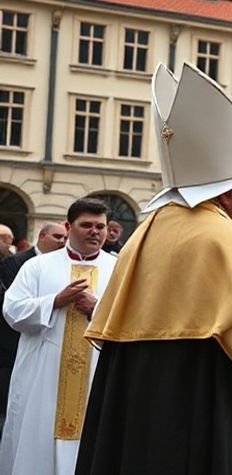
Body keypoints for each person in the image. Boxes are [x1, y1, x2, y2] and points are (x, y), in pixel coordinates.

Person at [75, 63, 232, 474]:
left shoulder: (145, 234)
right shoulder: (227, 238)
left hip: (142, 415)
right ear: (227, 190)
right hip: (209, 412)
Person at [0, 199, 114, 474]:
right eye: (86, 225)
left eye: (100, 226)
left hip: (95, 376)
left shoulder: (118, 268)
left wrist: (96, 309)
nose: (94, 232)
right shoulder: (38, 267)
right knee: (36, 443)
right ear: (68, 226)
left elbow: (133, 317)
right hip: (43, 378)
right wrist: (54, 301)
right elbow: (12, 310)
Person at [0, 222, 67, 433]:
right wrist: (53, 302)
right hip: (15, 344)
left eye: (64, 238)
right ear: (42, 236)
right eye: (58, 237)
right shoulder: (17, 262)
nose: (62, 242)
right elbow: (12, 305)